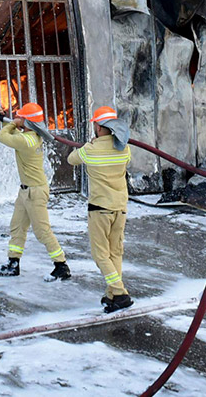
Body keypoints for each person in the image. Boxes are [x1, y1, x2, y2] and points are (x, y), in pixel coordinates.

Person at [0, 103, 71, 281]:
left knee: (42, 231)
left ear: (27, 121)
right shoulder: (31, 136)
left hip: (35, 192)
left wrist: (12, 123)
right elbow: (11, 135)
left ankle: (61, 266)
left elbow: (2, 137)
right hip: (26, 191)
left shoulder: (27, 141)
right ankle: (13, 263)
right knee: (17, 227)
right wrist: (7, 120)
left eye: (21, 117)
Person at [67, 105, 134, 313]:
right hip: (120, 208)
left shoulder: (90, 150)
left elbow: (71, 159)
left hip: (100, 208)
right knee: (115, 252)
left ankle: (120, 292)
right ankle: (112, 295)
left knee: (100, 255)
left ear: (97, 126)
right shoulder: (125, 149)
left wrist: (89, 145)